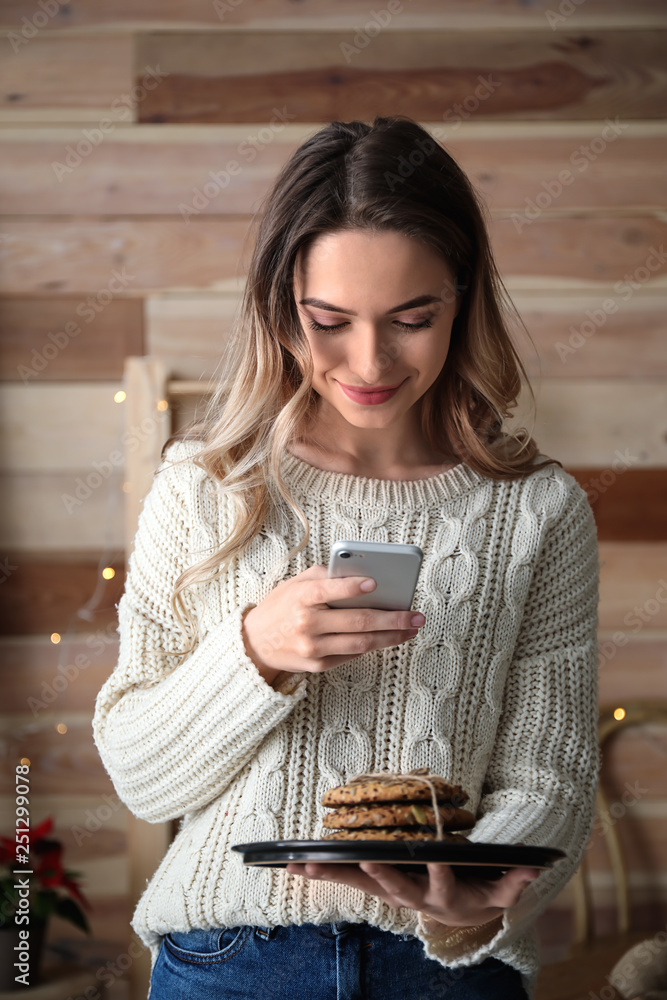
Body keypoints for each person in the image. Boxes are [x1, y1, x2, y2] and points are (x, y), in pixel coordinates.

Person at [92, 115, 600, 1000]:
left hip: (448, 974)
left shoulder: (535, 509)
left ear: (463, 302)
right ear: (278, 306)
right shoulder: (203, 489)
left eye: (412, 318)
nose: (368, 361)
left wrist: (469, 905)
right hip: (229, 965)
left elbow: (548, 774)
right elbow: (141, 777)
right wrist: (253, 650)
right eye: (328, 320)